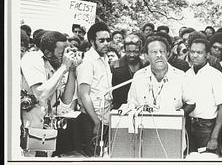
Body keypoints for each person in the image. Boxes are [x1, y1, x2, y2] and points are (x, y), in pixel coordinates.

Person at [21, 31, 80, 156]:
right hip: (29, 131)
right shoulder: (32, 59)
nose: (65, 57)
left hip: (47, 133)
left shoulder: (57, 66)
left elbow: (66, 100)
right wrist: (64, 66)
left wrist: (72, 71)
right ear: (48, 53)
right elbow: (41, 95)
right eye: (61, 53)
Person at [127, 35, 195, 114]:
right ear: (146, 56)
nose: (159, 55)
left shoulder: (180, 76)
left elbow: (191, 103)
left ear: (168, 54)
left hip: (171, 125)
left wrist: (178, 114)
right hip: (144, 124)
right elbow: (132, 102)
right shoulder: (139, 76)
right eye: (154, 52)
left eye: (162, 51)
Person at [76, 22, 113, 157]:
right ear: (92, 41)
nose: (106, 43)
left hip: (105, 115)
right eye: (101, 40)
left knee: (103, 155)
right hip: (91, 119)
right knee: (93, 157)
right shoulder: (87, 62)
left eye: (108, 40)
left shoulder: (104, 59)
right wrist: (96, 122)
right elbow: (84, 95)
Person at [185, 37, 222, 154]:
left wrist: (214, 138)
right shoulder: (187, 74)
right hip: (188, 124)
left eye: (199, 52)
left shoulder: (216, 76)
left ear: (207, 55)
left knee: (206, 161)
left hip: (206, 127)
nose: (194, 55)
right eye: (192, 52)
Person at [110, 33, 147, 109]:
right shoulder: (115, 65)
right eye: (128, 51)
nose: (132, 55)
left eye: (135, 51)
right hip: (120, 107)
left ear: (140, 50)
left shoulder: (146, 65)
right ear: (124, 50)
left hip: (140, 107)